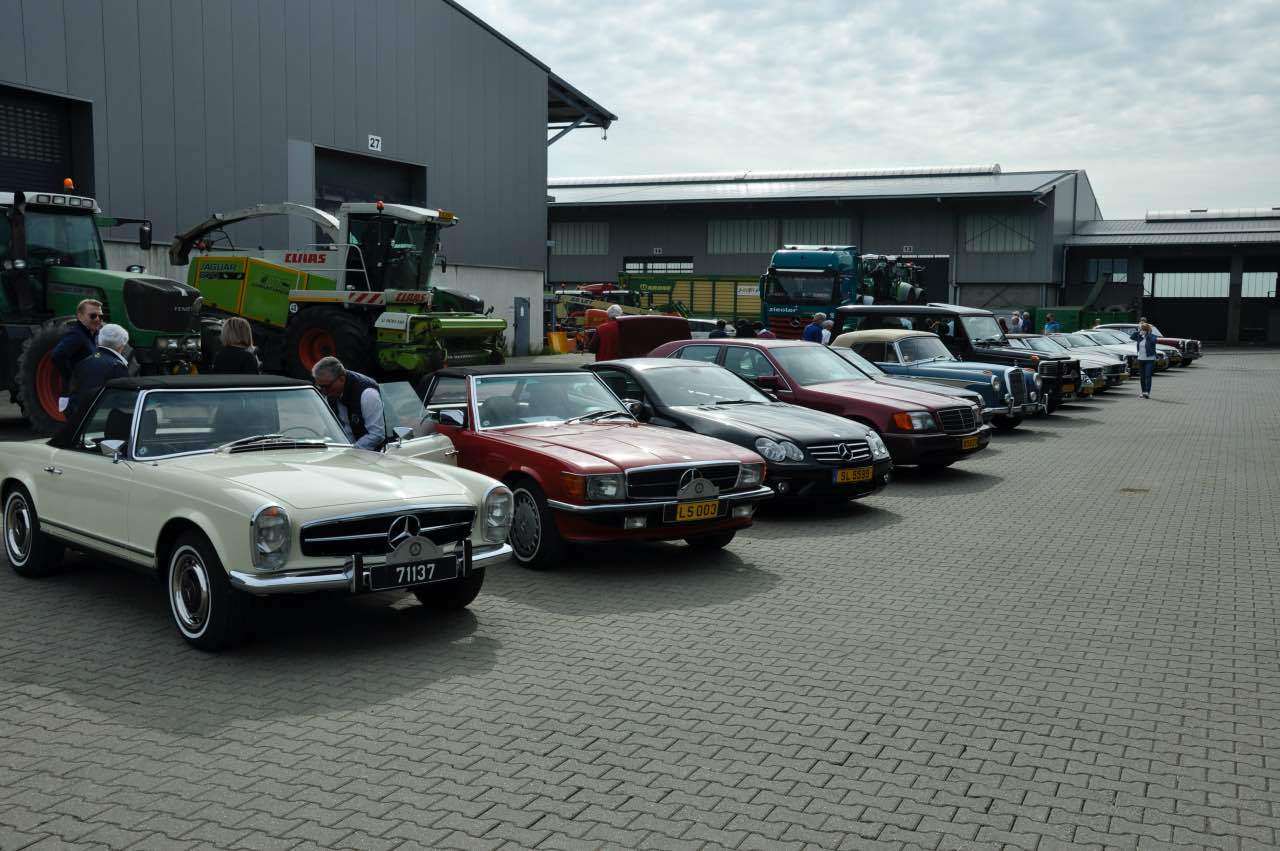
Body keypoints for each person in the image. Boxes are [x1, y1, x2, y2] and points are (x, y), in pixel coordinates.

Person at [52, 323, 131, 446]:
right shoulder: (117, 366)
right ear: (122, 344)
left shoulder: (84, 362)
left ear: (99, 340)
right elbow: (125, 403)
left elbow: (73, 394)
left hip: (80, 424)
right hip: (104, 430)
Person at [313, 356, 386, 450]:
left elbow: (377, 434)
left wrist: (351, 451)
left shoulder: (368, 394)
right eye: (320, 387)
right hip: (347, 449)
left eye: (326, 386)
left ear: (341, 379)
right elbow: (332, 430)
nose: (324, 392)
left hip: (373, 454)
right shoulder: (330, 392)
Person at [51, 298, 104, 414]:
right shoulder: (77, 335)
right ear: (80, 316)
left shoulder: (92, 334)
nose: (97, 319)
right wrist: (70, 376)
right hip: (76, 398)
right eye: (93, 316)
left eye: (100, 316)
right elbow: (57, 355)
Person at [1131, 320, 1159, 398]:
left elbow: (1154, 341)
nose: (1142, 331)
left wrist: (1147, 335)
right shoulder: (1139, 337)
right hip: (1141, 359)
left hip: (1150, 359)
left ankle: (1147, 393)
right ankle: (1143, 392)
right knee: (1142, 377)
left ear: (1146, 330)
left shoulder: (1152, 336)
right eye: (1141, 329)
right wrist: (1138, 331)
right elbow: (1132, 337)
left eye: (1143, 330)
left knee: (1148, 376)